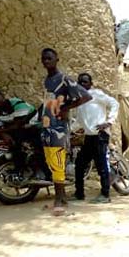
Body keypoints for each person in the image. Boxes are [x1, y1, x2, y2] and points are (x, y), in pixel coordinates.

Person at [41, 47, 91, 215]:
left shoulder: (64, 79)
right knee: (51, 161)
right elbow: (48, 102)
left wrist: (66, 108)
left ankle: (59, 199)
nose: (46, 61)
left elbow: (85, 96)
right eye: (44, 59)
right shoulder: (47, 80)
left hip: (59, 128)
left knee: (58, 161)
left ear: (57, 59)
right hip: (47, 127)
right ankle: (61, 198)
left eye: (49, 58)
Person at [73, 72, 119, 203]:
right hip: (89, 137)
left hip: (100, 135)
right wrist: (67, 130)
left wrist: (109, 122)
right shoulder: (80, 100)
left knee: (101, 166)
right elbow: (79, 121)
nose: (82, 84)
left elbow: (114, 103)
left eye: (85, 82)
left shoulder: (96, 94)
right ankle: (79, 193)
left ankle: (105, 195)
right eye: (80, 82)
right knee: (80, 164)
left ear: (90, 84)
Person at [0, 87, 47, 180]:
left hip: (33, 127)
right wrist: (3, 135)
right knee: (13, 145)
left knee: (39, 147)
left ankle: (45, 171)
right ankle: (22, 168)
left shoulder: (17, 104)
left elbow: (17, 125)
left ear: (2, 95)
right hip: (16, 130)